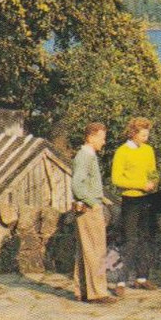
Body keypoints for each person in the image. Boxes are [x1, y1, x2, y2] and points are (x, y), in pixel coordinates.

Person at [111, 116, 159, 290]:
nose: (146, 137)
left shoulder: (148, 150)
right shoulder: (122, 152)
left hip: (147, 199)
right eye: (143, 134)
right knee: (130, 239)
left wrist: (153, 184)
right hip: (131, 199)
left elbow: (153, 171)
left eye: (147, 134)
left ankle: (142, 277)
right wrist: (141, 185)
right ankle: (121, 280)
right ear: (133, 133)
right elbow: (117, 179)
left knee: (146, 237)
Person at [70, 122, 115, 304]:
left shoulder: (87, 156)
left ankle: (81, 290)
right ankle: (97, 293)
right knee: (96, 250)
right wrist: (94, 203)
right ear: (91, 136)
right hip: (90, 209)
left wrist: (102, 198)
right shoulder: (85, 157)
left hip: (91, 206)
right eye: (102, 138)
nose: (103, 142)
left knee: (85, 250)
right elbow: (77, 185)